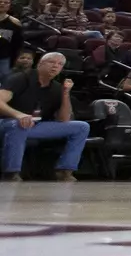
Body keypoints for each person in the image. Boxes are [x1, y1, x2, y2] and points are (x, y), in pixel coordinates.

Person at [0, 51, 88, 181]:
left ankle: (64, 171)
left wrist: (65, 93)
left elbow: (63, 119)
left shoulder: (57, 87)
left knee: (82, 127)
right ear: (40, 63)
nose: (55, 66)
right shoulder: (21, 78)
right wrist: (18, 115)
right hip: (7, 122)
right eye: (52, 62)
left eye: (60, 64)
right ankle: (11, 173)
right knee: (19, 124)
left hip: (36, 125)